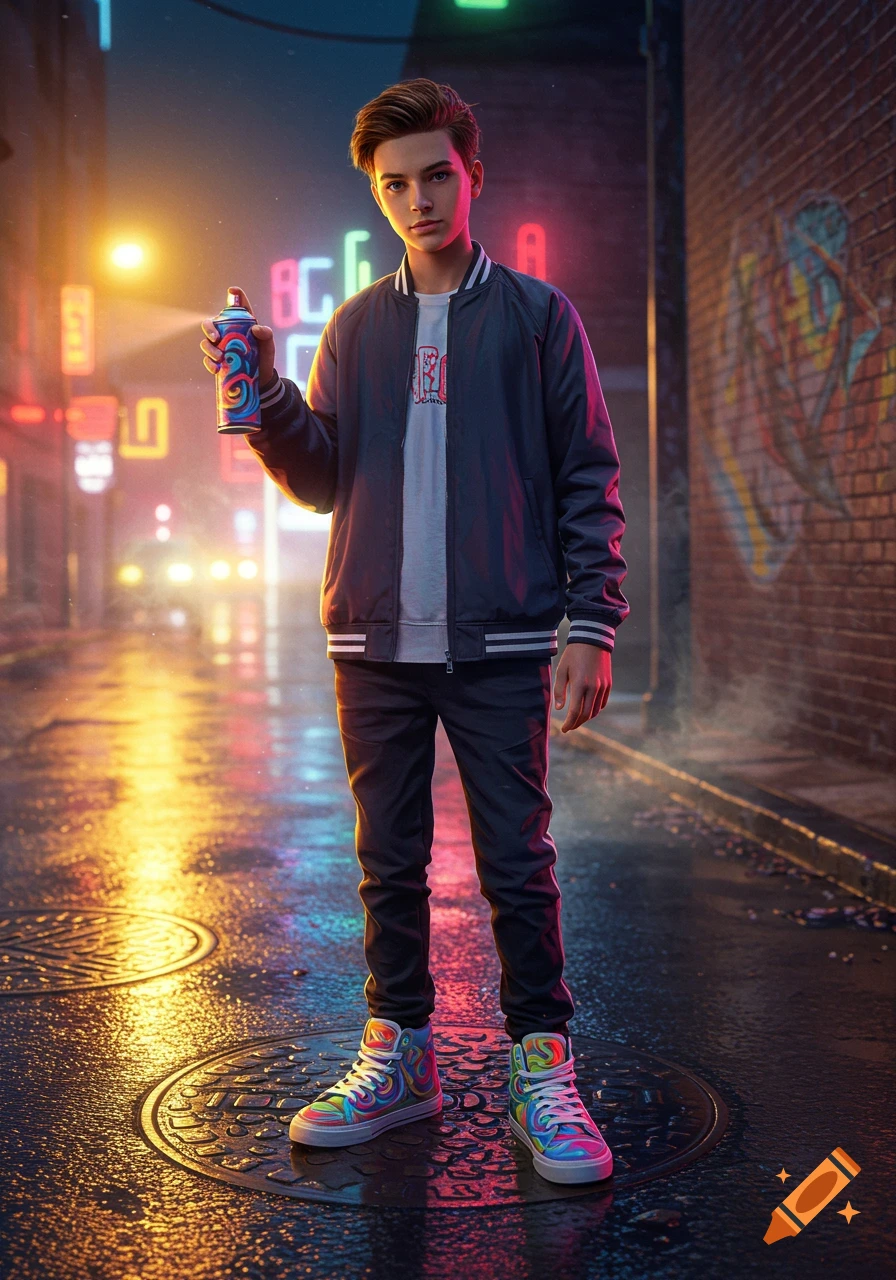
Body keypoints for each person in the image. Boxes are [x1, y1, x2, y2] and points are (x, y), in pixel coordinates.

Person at [200, 78, 628, 1186]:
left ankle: (543, 1065)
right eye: (394, 185)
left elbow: (586, 473)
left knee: (517, 864)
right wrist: (265, 405)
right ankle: (402, 1058)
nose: (418, 199)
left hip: (499, 639)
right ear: (376, 194)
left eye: (436, 174)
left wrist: (591, 622)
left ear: (470, 172)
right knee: (385, 865)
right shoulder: (355, 324)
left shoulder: (537, 317)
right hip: (374, 642)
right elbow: (323, 479)